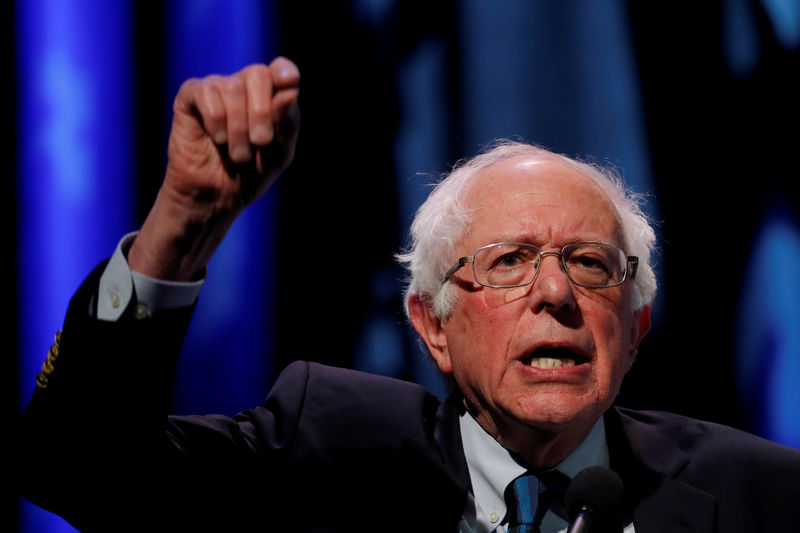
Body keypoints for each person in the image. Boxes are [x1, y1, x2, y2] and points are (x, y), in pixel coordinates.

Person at [19, 57, 800, 533]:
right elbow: (78, 467)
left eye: (592, 264)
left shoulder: (760, 494)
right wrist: (181, 229)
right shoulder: (326, 447)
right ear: (432, 323)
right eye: (510, 261)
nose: (556, 291)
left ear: (636, 326)